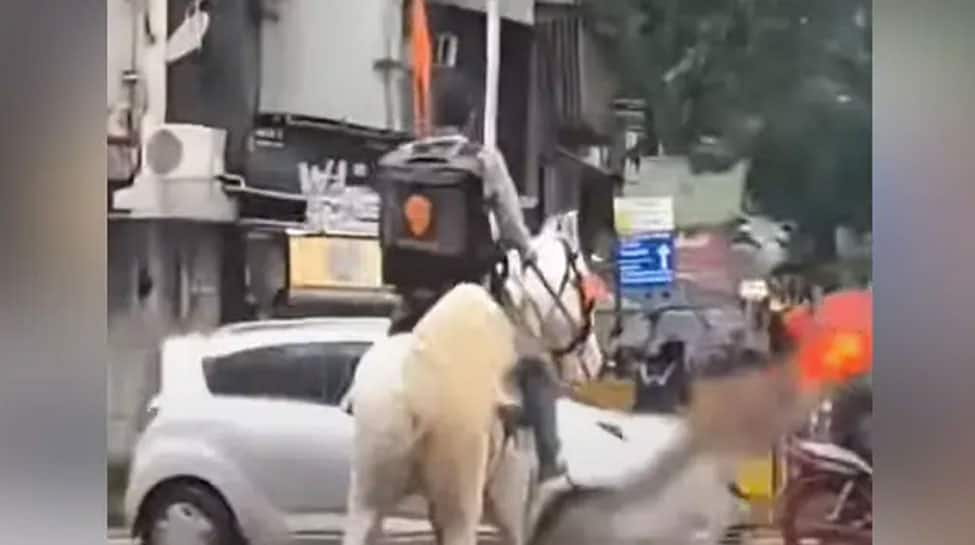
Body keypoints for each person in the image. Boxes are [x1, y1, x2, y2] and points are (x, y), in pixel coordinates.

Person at [380, 86, 565, 482]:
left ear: (431, 115)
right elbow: (513, 226)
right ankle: (550, 460)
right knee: (534, 364)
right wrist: (526, 250)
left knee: (383, 359)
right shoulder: (482, 161)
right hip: (468, 296)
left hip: (412, 298)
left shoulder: (398, 159)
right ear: (470, 117)